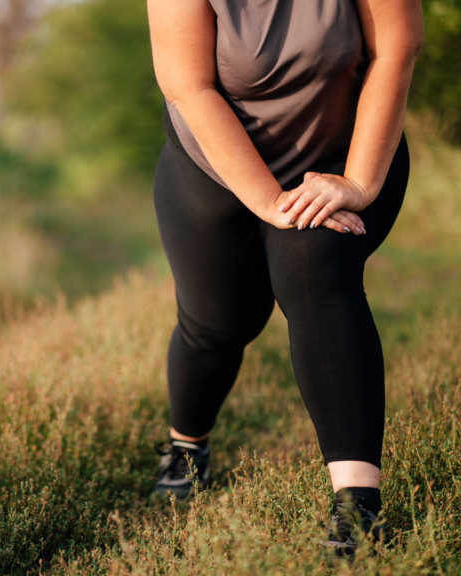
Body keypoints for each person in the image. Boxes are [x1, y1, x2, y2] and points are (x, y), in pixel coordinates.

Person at [146, 0, 424, 556]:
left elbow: (396, 49)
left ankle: (357, 509)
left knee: (314, 273)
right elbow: (188, 86)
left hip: (343, 162)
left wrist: (361, 184)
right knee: (219, 325)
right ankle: (187, 445)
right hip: (214, 170)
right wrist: (268, 200)